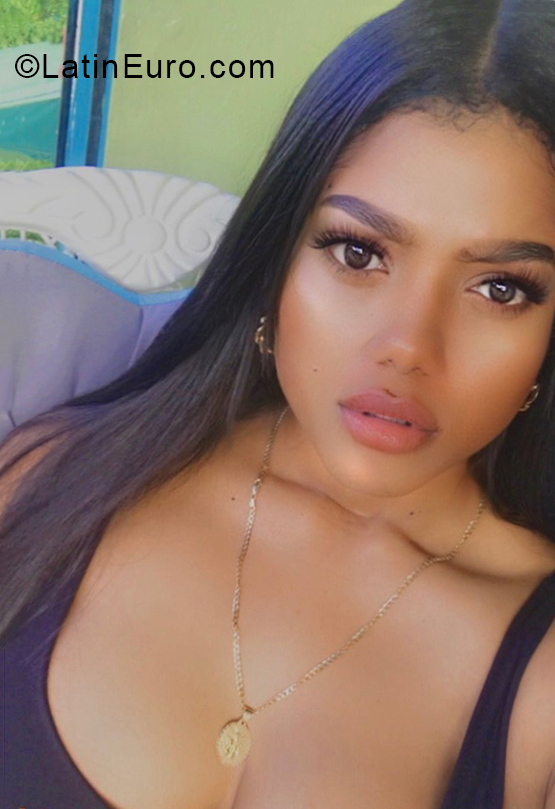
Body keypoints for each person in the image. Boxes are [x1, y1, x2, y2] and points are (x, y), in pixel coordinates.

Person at [3, 0, 555, 806]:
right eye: (358, 251)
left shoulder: (538, 673)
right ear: (275, 261)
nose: (408, 345)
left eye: (500, 288)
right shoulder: (50, 480)